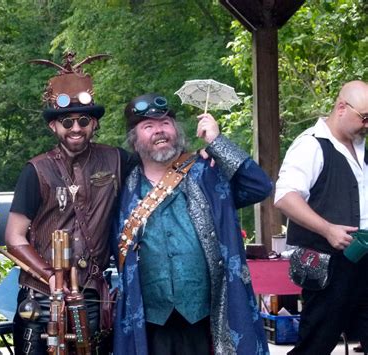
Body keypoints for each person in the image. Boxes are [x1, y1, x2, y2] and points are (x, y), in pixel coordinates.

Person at [113, 93, 273, 355]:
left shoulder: (206, 171)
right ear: (134, 138)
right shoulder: (122, 186)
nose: (159, 131)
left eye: (165, 123)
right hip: (150, 316)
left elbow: (260, 186)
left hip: (204, 314)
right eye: (148, 126)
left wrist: (217, 143)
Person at [5, 52, 136, 355]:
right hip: (39, 296)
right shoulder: (35, 170)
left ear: (94, 123)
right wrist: (50, 275)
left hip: (91, 295)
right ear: (54, 126)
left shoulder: (117, 160)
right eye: (67, 121)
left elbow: (156, 173)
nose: (75, 128)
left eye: (83, 120)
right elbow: (14, 237)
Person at [274, 80, 368, 354]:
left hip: (365, 261)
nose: (367, 125)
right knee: (316, 344)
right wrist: (327, 229)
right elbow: (285, 196)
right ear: (341, 108)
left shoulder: (362, 148)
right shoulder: (311, 146)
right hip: (329, 263)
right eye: (364, 118)